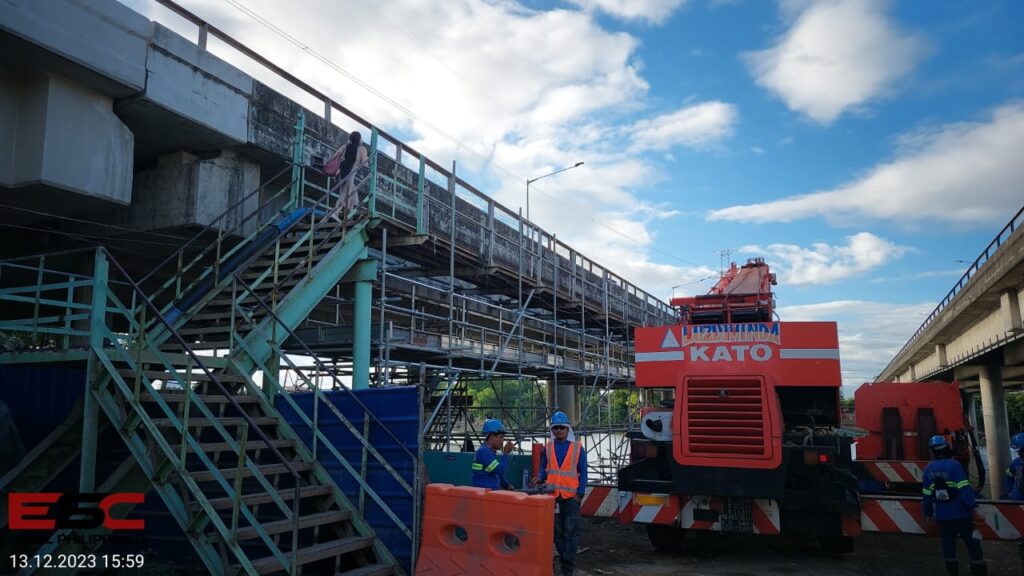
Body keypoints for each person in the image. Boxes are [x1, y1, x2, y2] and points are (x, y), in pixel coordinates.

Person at [533, 411, 587, 576]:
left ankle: (567, 568)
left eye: (561, 428)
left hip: (571, 498)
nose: (558, 431)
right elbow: (544, 467)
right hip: (553, 497)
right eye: (556, 428)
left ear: (567, 429)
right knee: (556, 533)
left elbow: (583, 472)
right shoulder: (548, 447)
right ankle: (564, 562)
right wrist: (540, 478)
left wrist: (580, 493)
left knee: (570, 532)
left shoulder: (577, 448)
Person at [923, 435, 985, 576]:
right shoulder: (955, 465)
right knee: (974, 544)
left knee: (948, 547)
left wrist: (928, 514)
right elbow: (965, 490)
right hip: (962, 514)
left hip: (943, 516)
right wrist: (973, 508)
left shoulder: (928, 469)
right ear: (946, 448)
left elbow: (926, 496)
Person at [327, 131, 368, 220]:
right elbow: (365, 164)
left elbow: (335, 156)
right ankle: (336, 212)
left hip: (341, 172)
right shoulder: (362, 149)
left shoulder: (345, 147)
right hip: (350, 174)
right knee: (345, 194)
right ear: (359, 139)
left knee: (352, 190)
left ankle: (353, 210)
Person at [472, 418, 514, 490]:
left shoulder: (489, 452)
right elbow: (499, 471)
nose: (502, 441)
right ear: (491, 437)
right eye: (500, 437)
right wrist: (506, 453)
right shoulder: (484, 452)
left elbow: (495, 472)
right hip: (484, 493)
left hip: (489, 491)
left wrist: (506, 485)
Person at [1003, 432, 1024, 500]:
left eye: (1020, 451)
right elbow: (1009, 475)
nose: (1019, 453)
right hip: (1018, 496)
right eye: (1018, 452)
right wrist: (1009, 490)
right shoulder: (1016, 462)